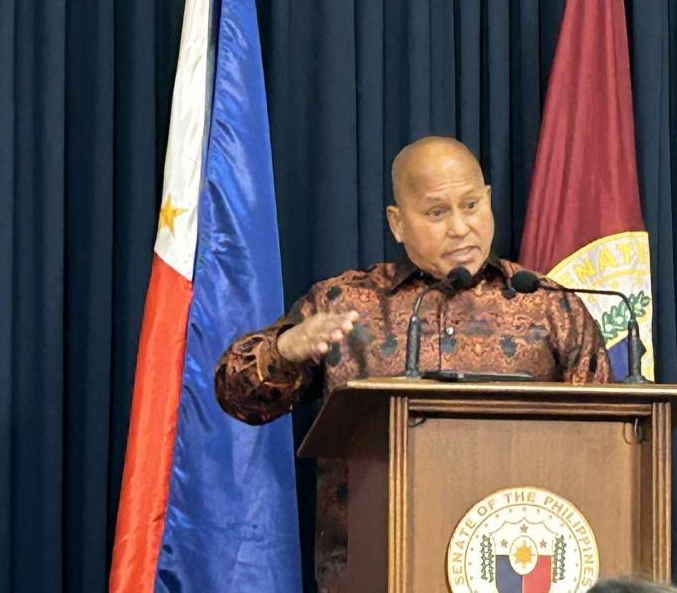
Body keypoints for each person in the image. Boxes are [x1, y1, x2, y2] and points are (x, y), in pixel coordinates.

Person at [214, 135, 612, 588]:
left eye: (471, 205)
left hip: (511, 564)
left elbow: (604, 445)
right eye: (437, 213)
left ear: (488, 200)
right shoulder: (345, 304)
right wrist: (284, 350)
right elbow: (236, 397)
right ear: (398, 223)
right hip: (377, 568)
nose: (461, 228)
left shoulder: (548, 305)